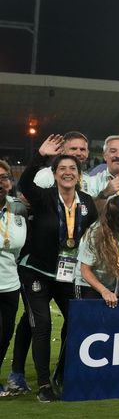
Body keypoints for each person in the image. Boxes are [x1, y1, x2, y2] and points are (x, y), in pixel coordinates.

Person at [11, 135, 99, 402]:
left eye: (72, 168)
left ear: (79, 174)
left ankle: (62, 374)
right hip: (35, 271)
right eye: (62, 169)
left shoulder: (86, 203)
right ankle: (43, 385)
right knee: (43, 325)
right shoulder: (43, 198)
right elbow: (24, 184)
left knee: (76, 321)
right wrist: (40, 156)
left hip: (66, 274)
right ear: (54, 174)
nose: (68, 173)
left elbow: (91, 235)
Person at [75, 195, 119, 307]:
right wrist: (104, 291)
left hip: (112, 284)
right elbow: (85, 270)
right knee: (88, 322)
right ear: (116, 221)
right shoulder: (95, 234)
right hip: (89, 285)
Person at [0, 161, 27, 395]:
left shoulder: (18, 209)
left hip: (10, 284)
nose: (0, 183)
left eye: (3, 178)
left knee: (4, 335)